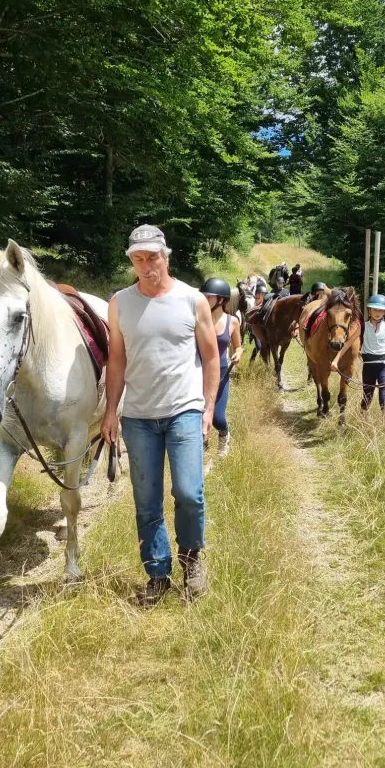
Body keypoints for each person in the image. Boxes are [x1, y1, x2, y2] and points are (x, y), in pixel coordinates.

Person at [100, 225, 220, 606]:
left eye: (153, 257)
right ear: (131, 261)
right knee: (146, 501)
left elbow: (211, 356)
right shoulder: (120, 302)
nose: (146, 265)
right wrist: (110, 412)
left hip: (183, 409)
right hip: (138, 417)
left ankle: (191, 558)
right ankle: (157, 573)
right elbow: (116, 359)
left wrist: (208, 407)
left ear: (166, 256)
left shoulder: (192, 300)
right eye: (138, 258)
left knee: (189, 492)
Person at [330, 293, 385, 414]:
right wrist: (335, 360)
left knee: (384, 398)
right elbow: (348, 343)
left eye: (381, 310)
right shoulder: (363, 327)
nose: (378, 312)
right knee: (367, 397)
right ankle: (363, 420)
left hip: (384, 366)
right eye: (375, 309)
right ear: (369, 310)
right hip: (369, 366)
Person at [200, 277, 243, 456]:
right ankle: (202, 446)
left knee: (217, 417)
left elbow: (238, 346)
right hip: (197, 371)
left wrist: (238, 354)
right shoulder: (197, 319)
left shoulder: (232, 321)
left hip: (222, 372)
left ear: (221, 300)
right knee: (196, 414)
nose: (204, 300)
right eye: (203, 296)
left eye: (209, 297)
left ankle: (224, 434)